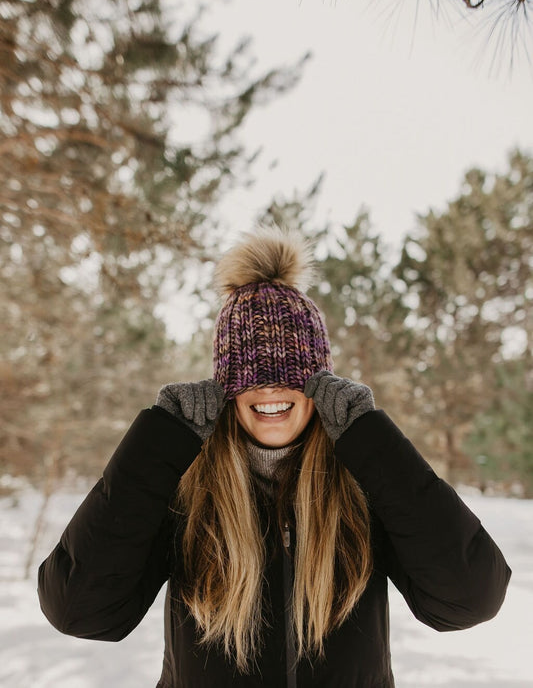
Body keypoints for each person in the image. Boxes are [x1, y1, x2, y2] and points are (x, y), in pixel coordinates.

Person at [38, 226, 511, 687]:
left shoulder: (364, 483)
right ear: (225, 388)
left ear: (321, 385)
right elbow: (79, 610)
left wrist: (375, 443)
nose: (269, 389)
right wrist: (155, 446)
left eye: (290, 372)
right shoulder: (183, 486)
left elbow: (470, 598)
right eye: (249, 374)